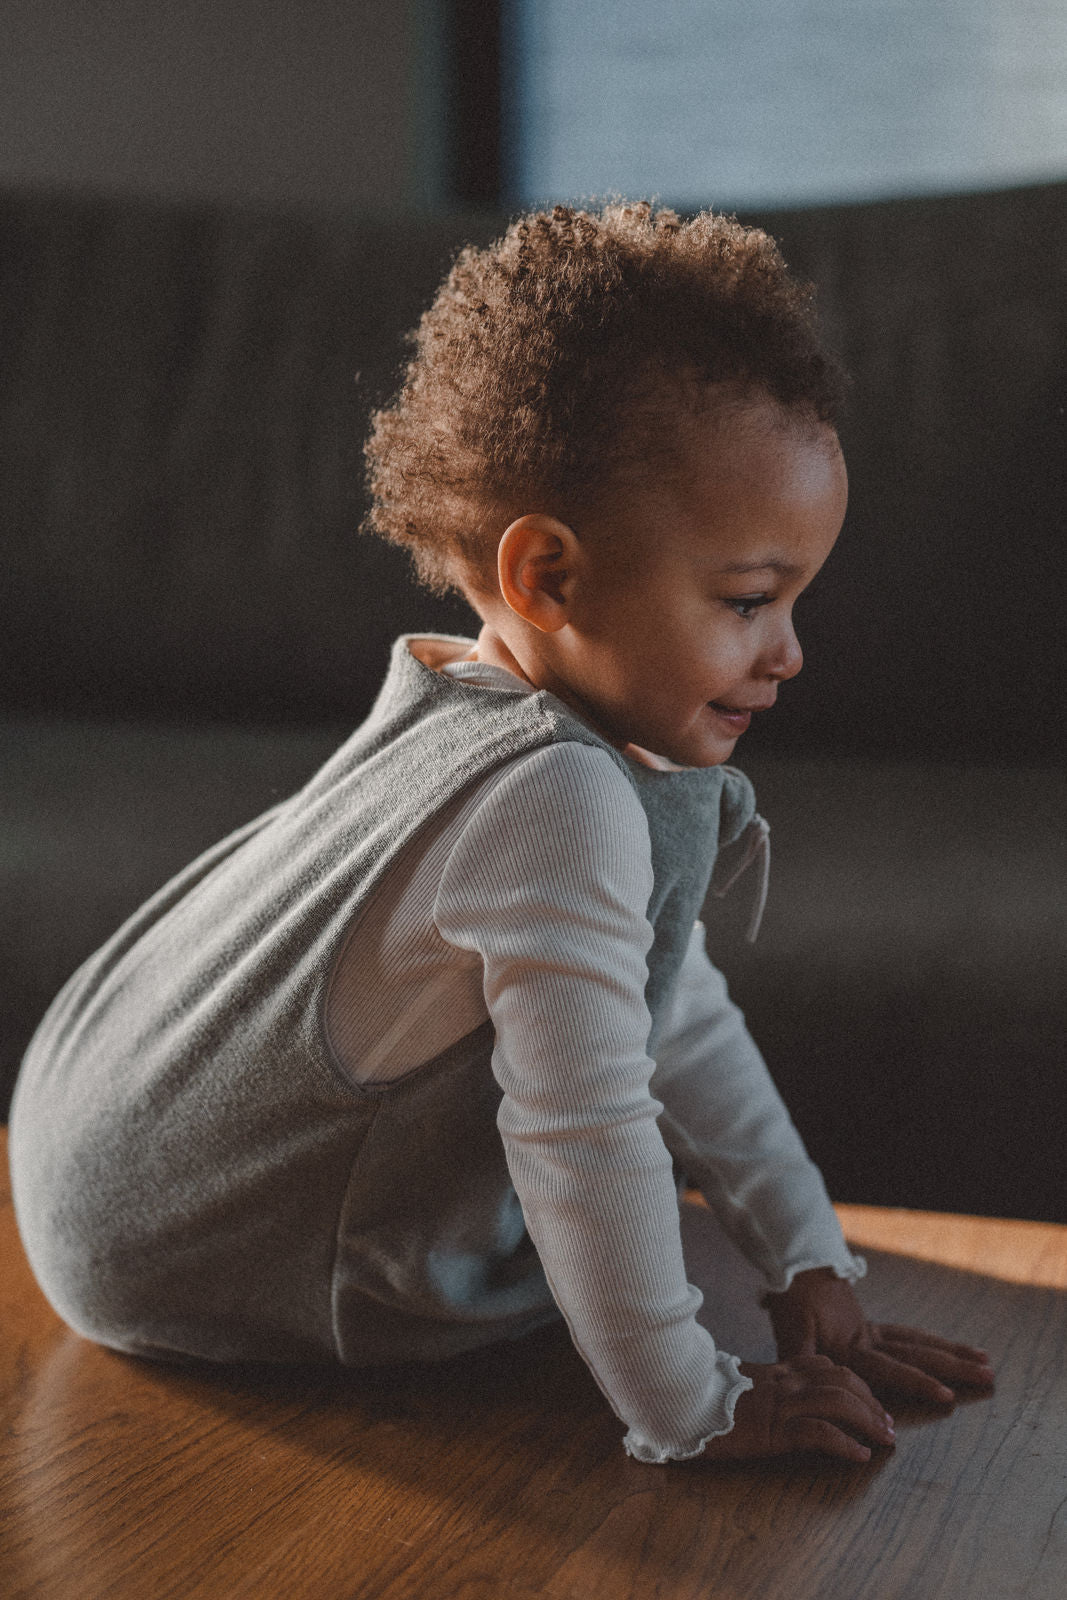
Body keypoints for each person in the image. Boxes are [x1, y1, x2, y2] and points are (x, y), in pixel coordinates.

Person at [8, 202, 994, 1467]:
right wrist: (696, 1405)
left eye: (795, 598)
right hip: (179, 1248)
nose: (789, 652)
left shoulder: (471, 698)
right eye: (749, 600)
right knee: (578, 1244)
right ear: (547, 578)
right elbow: (582, 1137)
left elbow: (670, 1009)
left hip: (82, 1149)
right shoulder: (552, 797)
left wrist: (806, 1252)